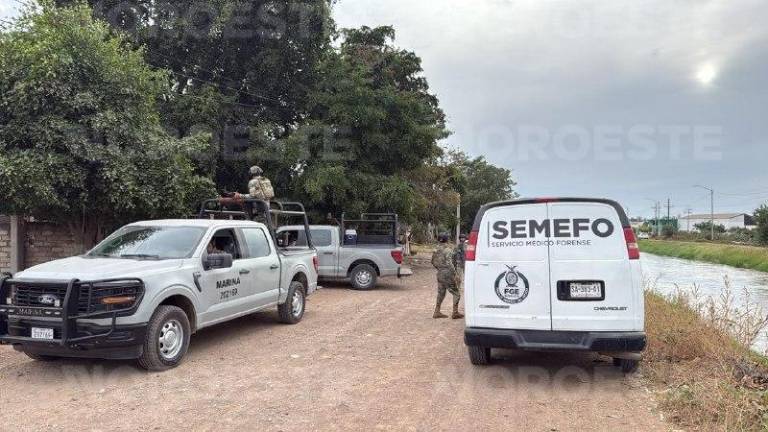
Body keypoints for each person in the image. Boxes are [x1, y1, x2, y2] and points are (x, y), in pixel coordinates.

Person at [431, 233, 463, 319]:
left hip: (440, 272)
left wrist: (439, 268)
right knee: (456, 293)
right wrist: (455, 274)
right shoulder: (448, 250)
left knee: (441, 293)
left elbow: (433, 262)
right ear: (447, 240)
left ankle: (437, 312)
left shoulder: (435, 249)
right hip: (447, 273)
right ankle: (455, 312)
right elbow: (449, 263)